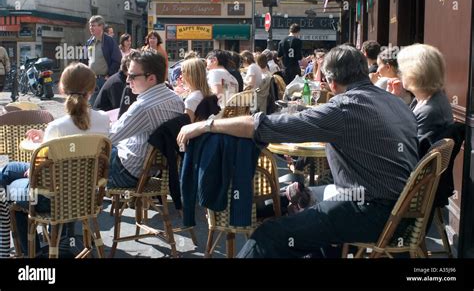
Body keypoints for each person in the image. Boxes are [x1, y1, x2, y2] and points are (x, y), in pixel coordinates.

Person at [177, 45, 419, 258]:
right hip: (402, 209)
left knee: (269, 235)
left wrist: (204, 124)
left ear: (332, 83)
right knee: (295, 193)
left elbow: (263, 126)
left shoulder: (345, 108)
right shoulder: (395, 102)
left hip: (372, 211)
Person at [0, 63, 110, 255]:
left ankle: (22, 250)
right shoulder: (102, 119)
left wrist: (34, 169)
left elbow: (43, 168)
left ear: (62, 88)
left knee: (8, 186)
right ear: (92, 89)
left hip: (51, 200)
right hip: (85, 196)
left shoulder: (57, 126)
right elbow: (74, 143)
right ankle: (60, 243)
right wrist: (44, 136)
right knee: (8, 171)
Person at [107, 50, 184, 188]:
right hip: (152, 169)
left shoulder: (142, 107)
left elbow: (108, 138)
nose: (127, 80)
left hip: (129, 173)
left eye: (132, 76)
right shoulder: (176, 99)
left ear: (151, 78)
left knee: (87, 156)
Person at [397, 44, 453, 141]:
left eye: (402, 70)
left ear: (414, 74)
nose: (399, 74)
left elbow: (408, 149)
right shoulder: (424, 98)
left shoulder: (429, 110)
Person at [86, 15, 122, 105]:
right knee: (91, 106)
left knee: (105, 106)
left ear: (101, 26)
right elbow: (84, 59)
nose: (91, 28)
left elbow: (117, 59)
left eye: (93, 25)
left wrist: (109, 75)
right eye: (90, 25)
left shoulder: (109, 41)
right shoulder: (89, 42)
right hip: (92, 80)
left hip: (104, 80)